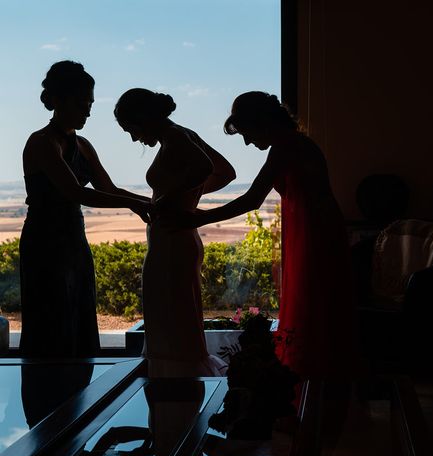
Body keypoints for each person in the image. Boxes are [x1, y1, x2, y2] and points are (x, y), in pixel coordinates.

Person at [165, 91, 360, 381]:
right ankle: (314, 388)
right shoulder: (297, 143)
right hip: (314, 232)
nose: (247, 142)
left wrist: (200, 217)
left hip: (314, 237)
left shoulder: (286, 146)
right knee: (317, 310)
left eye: (247, 132)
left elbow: (251, 200)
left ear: (262, 122)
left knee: (312, 309)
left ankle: (311, 388)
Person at [20, 61, 152, 358]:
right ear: (58, 100)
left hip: (74, 240)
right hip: (44, 242)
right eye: (81, 103)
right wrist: (135, 204)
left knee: (78, 312)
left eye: (90, 103)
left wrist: (146, 203)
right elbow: (76, 192)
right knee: (51, 317)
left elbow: (108, 189)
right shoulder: (41, 142)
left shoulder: (84, 145)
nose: (88, 110)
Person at [114, 88, 236, 378]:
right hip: (177, 240)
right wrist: (186, 197)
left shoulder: (176, 137)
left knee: (170, 323)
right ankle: (179, 395)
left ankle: (175, 394)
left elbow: (207, 168)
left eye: (132, 129)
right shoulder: (182, 134)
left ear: (143, 118)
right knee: (175, 321)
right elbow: (224, 172)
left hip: (172, 242)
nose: (134, 138)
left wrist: (169, 200)